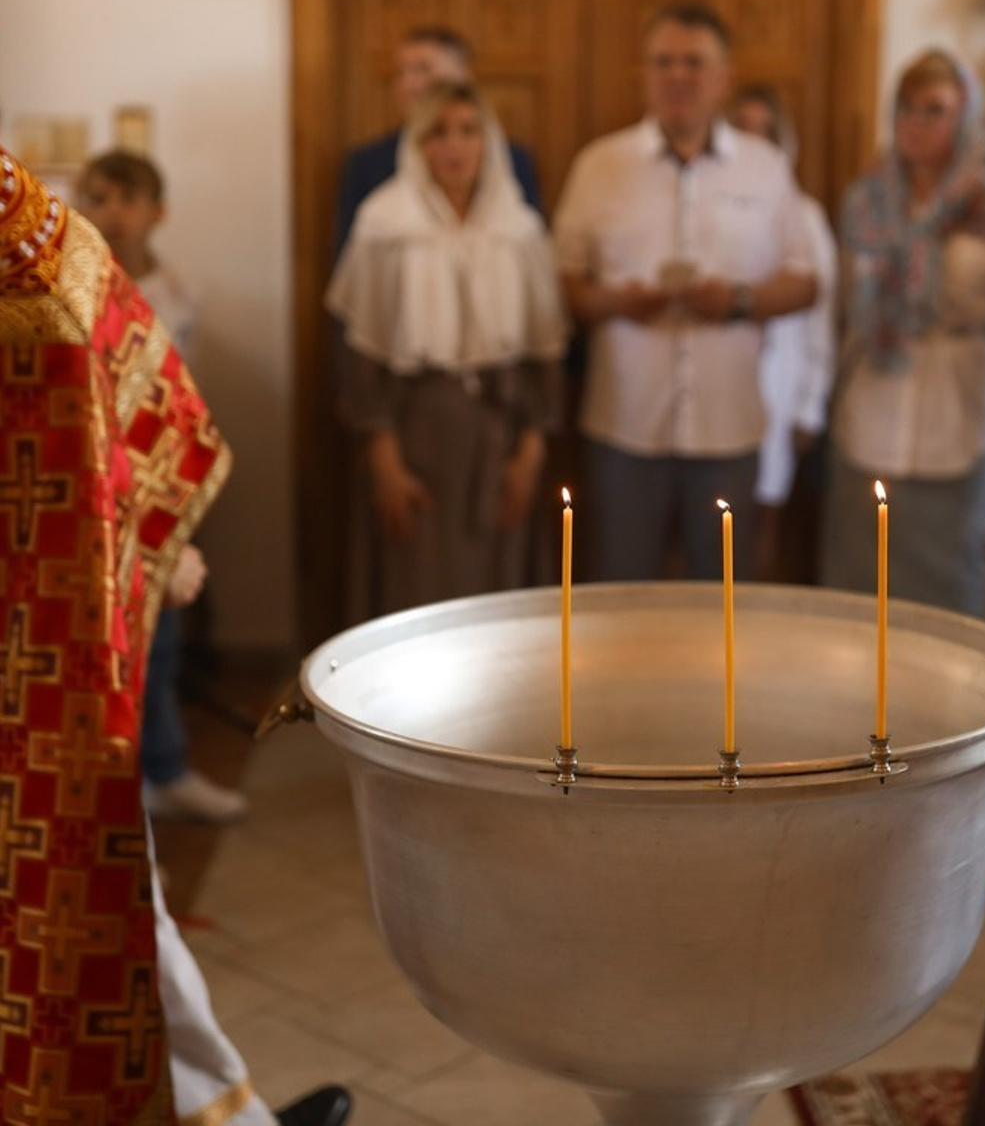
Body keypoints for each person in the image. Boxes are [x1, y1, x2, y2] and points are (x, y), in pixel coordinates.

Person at [0, 146, 350, 1124]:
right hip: (37, 677)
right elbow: (101, 381)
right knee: (96, 905)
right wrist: (145, 549)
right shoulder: (19, 231)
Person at [553, 3, 817, 582]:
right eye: (664, 62)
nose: (679, 76)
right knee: (622, 597)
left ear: (723, 76)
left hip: (728, 427)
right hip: (626, 426)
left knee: (723, 604)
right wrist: (620, 303)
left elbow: (805, 282)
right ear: (644, 73)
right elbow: (564, 287)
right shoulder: (599, 165)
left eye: (694, 63)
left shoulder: (766, 167)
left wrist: (739, 302)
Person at [326, 80, 566, 615]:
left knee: (500, 594)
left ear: (489, 142)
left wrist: (531, 448)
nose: (453, 147)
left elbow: (542, 347)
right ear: (417, 145)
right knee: (419, 591)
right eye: (437, 133)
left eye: (468, 131)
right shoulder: (385, 223)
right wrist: (383, 456)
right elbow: (362, 347)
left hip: (500, 432)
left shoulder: (519, 228)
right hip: (416, 433)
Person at [822, 47, 985, 616]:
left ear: (963, 115)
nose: (916, 123)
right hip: (875, 392)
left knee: (946, 569)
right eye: (907, 108)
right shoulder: (866, 200)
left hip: (956, 398)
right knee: (859, 567)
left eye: (934, 110)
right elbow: (844, 302)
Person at [78, 148, 248, 824]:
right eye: (97, 197)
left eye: (126, 199)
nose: (111, 213)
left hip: (159, 483)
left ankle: (167, 769)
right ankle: (117, 803)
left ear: (157, 211)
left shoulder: (177, 294)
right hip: (96, 482)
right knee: (105, 642)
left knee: (165, 631)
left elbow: (182, 398)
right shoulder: (72, 286)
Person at [727, 83, 837, 582]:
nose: (755, 146)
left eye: (764, 134)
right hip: (718, 391)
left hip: (780, 390)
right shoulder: (712, 205)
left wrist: (809, 406)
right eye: (742, 132)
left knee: (761, 522)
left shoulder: (805, 215)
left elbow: (820, 318)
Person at [334, 24, 542, 256]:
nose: (408, 84)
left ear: (464, 76)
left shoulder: (512, 160)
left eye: (423, 69)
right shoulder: (367, 164)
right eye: (401, 72)